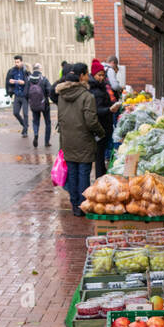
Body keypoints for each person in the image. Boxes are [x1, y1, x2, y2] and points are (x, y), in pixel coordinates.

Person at [54, 62, 103, 216]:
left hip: (67, 140)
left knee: (73, 173)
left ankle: (75, 205)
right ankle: (83, 205)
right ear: (81, 76)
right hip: (84, 140)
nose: (88, 77)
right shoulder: (87, 97)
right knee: (83, 173)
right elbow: (91, 121)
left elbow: (60, 118)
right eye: (87, 74)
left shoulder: (61, 96)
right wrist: (101, 132)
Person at [88, 59, 120, 177]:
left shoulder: (101, 86)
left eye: (103, 75)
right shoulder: (93, 90)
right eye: (99, 75)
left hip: (104, 125)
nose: (101, 77)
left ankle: (101, 177)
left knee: (100, 155)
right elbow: (96, 110)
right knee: (99, 155)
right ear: (93, 74)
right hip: (99, 126)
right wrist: (109, 109)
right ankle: (99, 179)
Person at [25, 62, 52, 148]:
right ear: (40, 69)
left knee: (35, 121)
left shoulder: (28, 79)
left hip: (34, 105)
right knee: (47, 122)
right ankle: (46, 142)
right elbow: (50, 91)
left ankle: (36, 134)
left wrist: (30, 100)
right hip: (45, 105)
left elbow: (25, 93)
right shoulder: (44, 79)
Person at [5, 55, 29, 135]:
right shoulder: (12, 71)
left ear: (21, 62)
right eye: (15, 62)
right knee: (15, 113)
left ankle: (25, 131)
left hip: (24, 95)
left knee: (25, 114)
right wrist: (10, 82)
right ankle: (24, 125)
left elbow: (29, 81)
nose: (16, 63)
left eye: (18, 62)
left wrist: (24, 82)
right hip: (17, 95)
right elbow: (8, 81)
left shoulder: (26, 70)